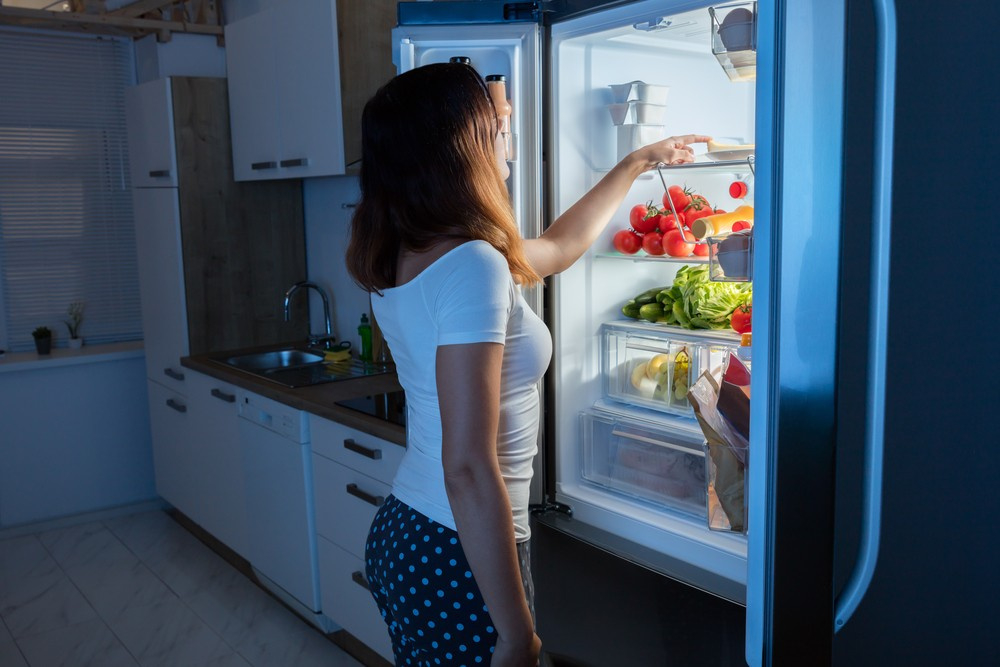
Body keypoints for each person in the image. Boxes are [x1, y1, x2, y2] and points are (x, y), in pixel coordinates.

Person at [346, 61, 708, 667]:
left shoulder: (405, 255)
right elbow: (465, 466)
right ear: (463, 145)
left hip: (411, 528)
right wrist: (516, 635)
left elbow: (558, 249)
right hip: (457, 544)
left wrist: (636, 162)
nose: (506, 136)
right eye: (498, 124)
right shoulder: (471, 266)